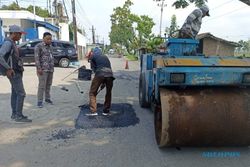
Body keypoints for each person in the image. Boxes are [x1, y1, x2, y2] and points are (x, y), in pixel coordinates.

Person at [0, 25, 32, 122]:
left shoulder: (12, 42)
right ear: (14, 33)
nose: (21, 36)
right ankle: (18, 116)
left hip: (16, 70)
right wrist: (8, 68)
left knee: (15, 93)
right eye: (20, 34)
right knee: (21, 93)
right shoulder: (8, 43)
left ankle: (15, 114)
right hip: (13, 72)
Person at [87, 47, 115, 116]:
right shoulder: (105, 56)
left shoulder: (93, 56)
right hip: (110, 75)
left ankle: (93, 111)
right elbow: (108, 68)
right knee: (108, 93)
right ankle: (106, 111)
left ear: (93, 52)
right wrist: (103, 83)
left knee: (92, 93)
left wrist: (98, 82)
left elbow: (94, 69)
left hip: (100, 74)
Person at [34, 32, 54, 108]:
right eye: (48, 39)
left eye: (50, 39)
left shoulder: (50, 47)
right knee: (42, 86)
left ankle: (47, 98)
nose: (49, 40)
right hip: (43, 69)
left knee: (48, 85)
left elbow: (52, 57)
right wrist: (39, 68)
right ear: (43, 38)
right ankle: (39, 101)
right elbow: (36, 58)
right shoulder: (38, 46)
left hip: (50, 69)